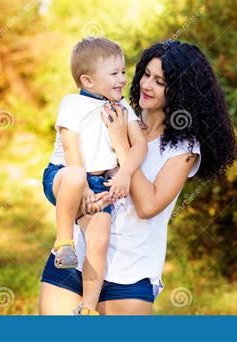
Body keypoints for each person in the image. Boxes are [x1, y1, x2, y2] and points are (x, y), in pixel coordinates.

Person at [39, 40, 237, 315]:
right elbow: (72, 166)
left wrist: (121, 143)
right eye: (146, 74)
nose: (146, 85)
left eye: (160, 81)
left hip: (130, 274)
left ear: (180, 90)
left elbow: (148, 206)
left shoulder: (184, 148)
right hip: (76, 262)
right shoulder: (113, 111)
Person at [41, 37, 147, 315]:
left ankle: (87, 306)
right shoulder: (72, 103)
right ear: (87, 81)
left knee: (99, 242)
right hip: (63, 177)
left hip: (99, 183)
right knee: (76, 175)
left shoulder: (123, 107)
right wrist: (83, 189)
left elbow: (140, 146)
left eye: (123, 71)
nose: (123, 79)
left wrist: (125, 173)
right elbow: (70, 145)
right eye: (114, 73)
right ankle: (64, 241)